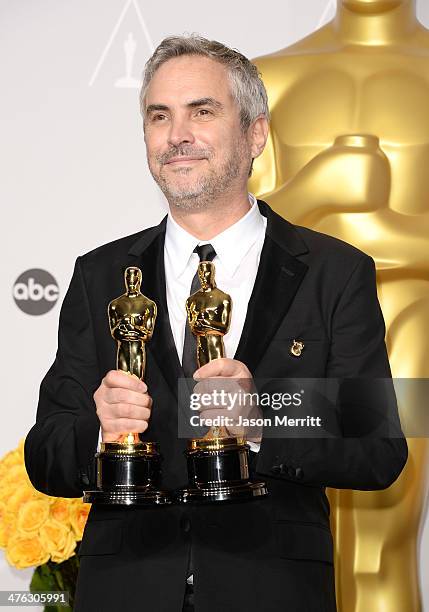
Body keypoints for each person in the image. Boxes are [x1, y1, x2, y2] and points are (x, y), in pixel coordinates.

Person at [24, 35, 407, 612]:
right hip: (124, 591)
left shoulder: (336, 271)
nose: (177, 134)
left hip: (271, 591)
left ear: (256, 134)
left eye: (202, 111)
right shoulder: (99, 274)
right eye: (159, 116)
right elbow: (45, 452)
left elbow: (380, 448)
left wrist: (262, 415)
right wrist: (100, 434)